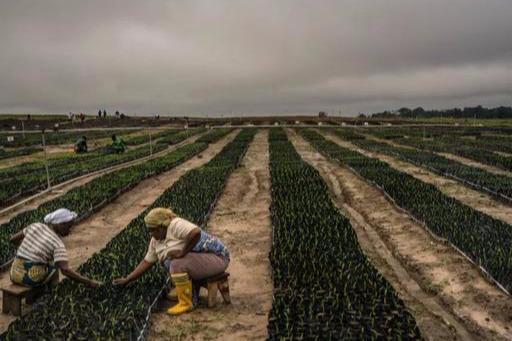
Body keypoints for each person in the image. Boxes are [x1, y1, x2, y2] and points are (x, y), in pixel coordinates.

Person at [113, 208, 229, 315]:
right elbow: (146, 262)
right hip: (201, 260)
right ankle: (185, 291)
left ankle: (187, 302)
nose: (150, 234)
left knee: (176, 263)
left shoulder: (175, 224)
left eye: (152, 230)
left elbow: (196, 232)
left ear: (161, 227)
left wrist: (182, 252)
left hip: (217, 257)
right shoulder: (156, 241)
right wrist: (127, 279)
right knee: (169, 260)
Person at [9, 208, 102, 288]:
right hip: (30, 279)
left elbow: (12, 239)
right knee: (54, 264)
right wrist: (89, 282)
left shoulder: (36, 225)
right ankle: (52, 290)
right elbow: (65, 270)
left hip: (14, 273)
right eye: (69, 226)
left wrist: (25, 251)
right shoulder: (57, 244)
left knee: (48, 261)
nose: (70, 230)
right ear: (59, 224)